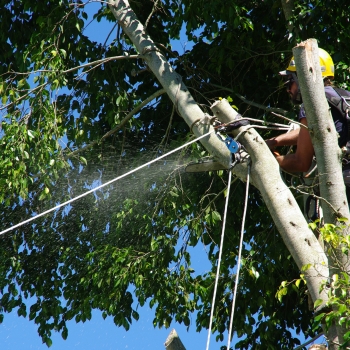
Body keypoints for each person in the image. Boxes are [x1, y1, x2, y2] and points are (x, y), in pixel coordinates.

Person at [265, 48, 349, 173]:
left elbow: (301, 163)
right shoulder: (343, 97)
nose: (288, 89)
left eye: (289, 81)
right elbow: (310, 131)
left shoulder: (314, 103)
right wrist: (275, 142)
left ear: (303, 76)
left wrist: (268, 159)